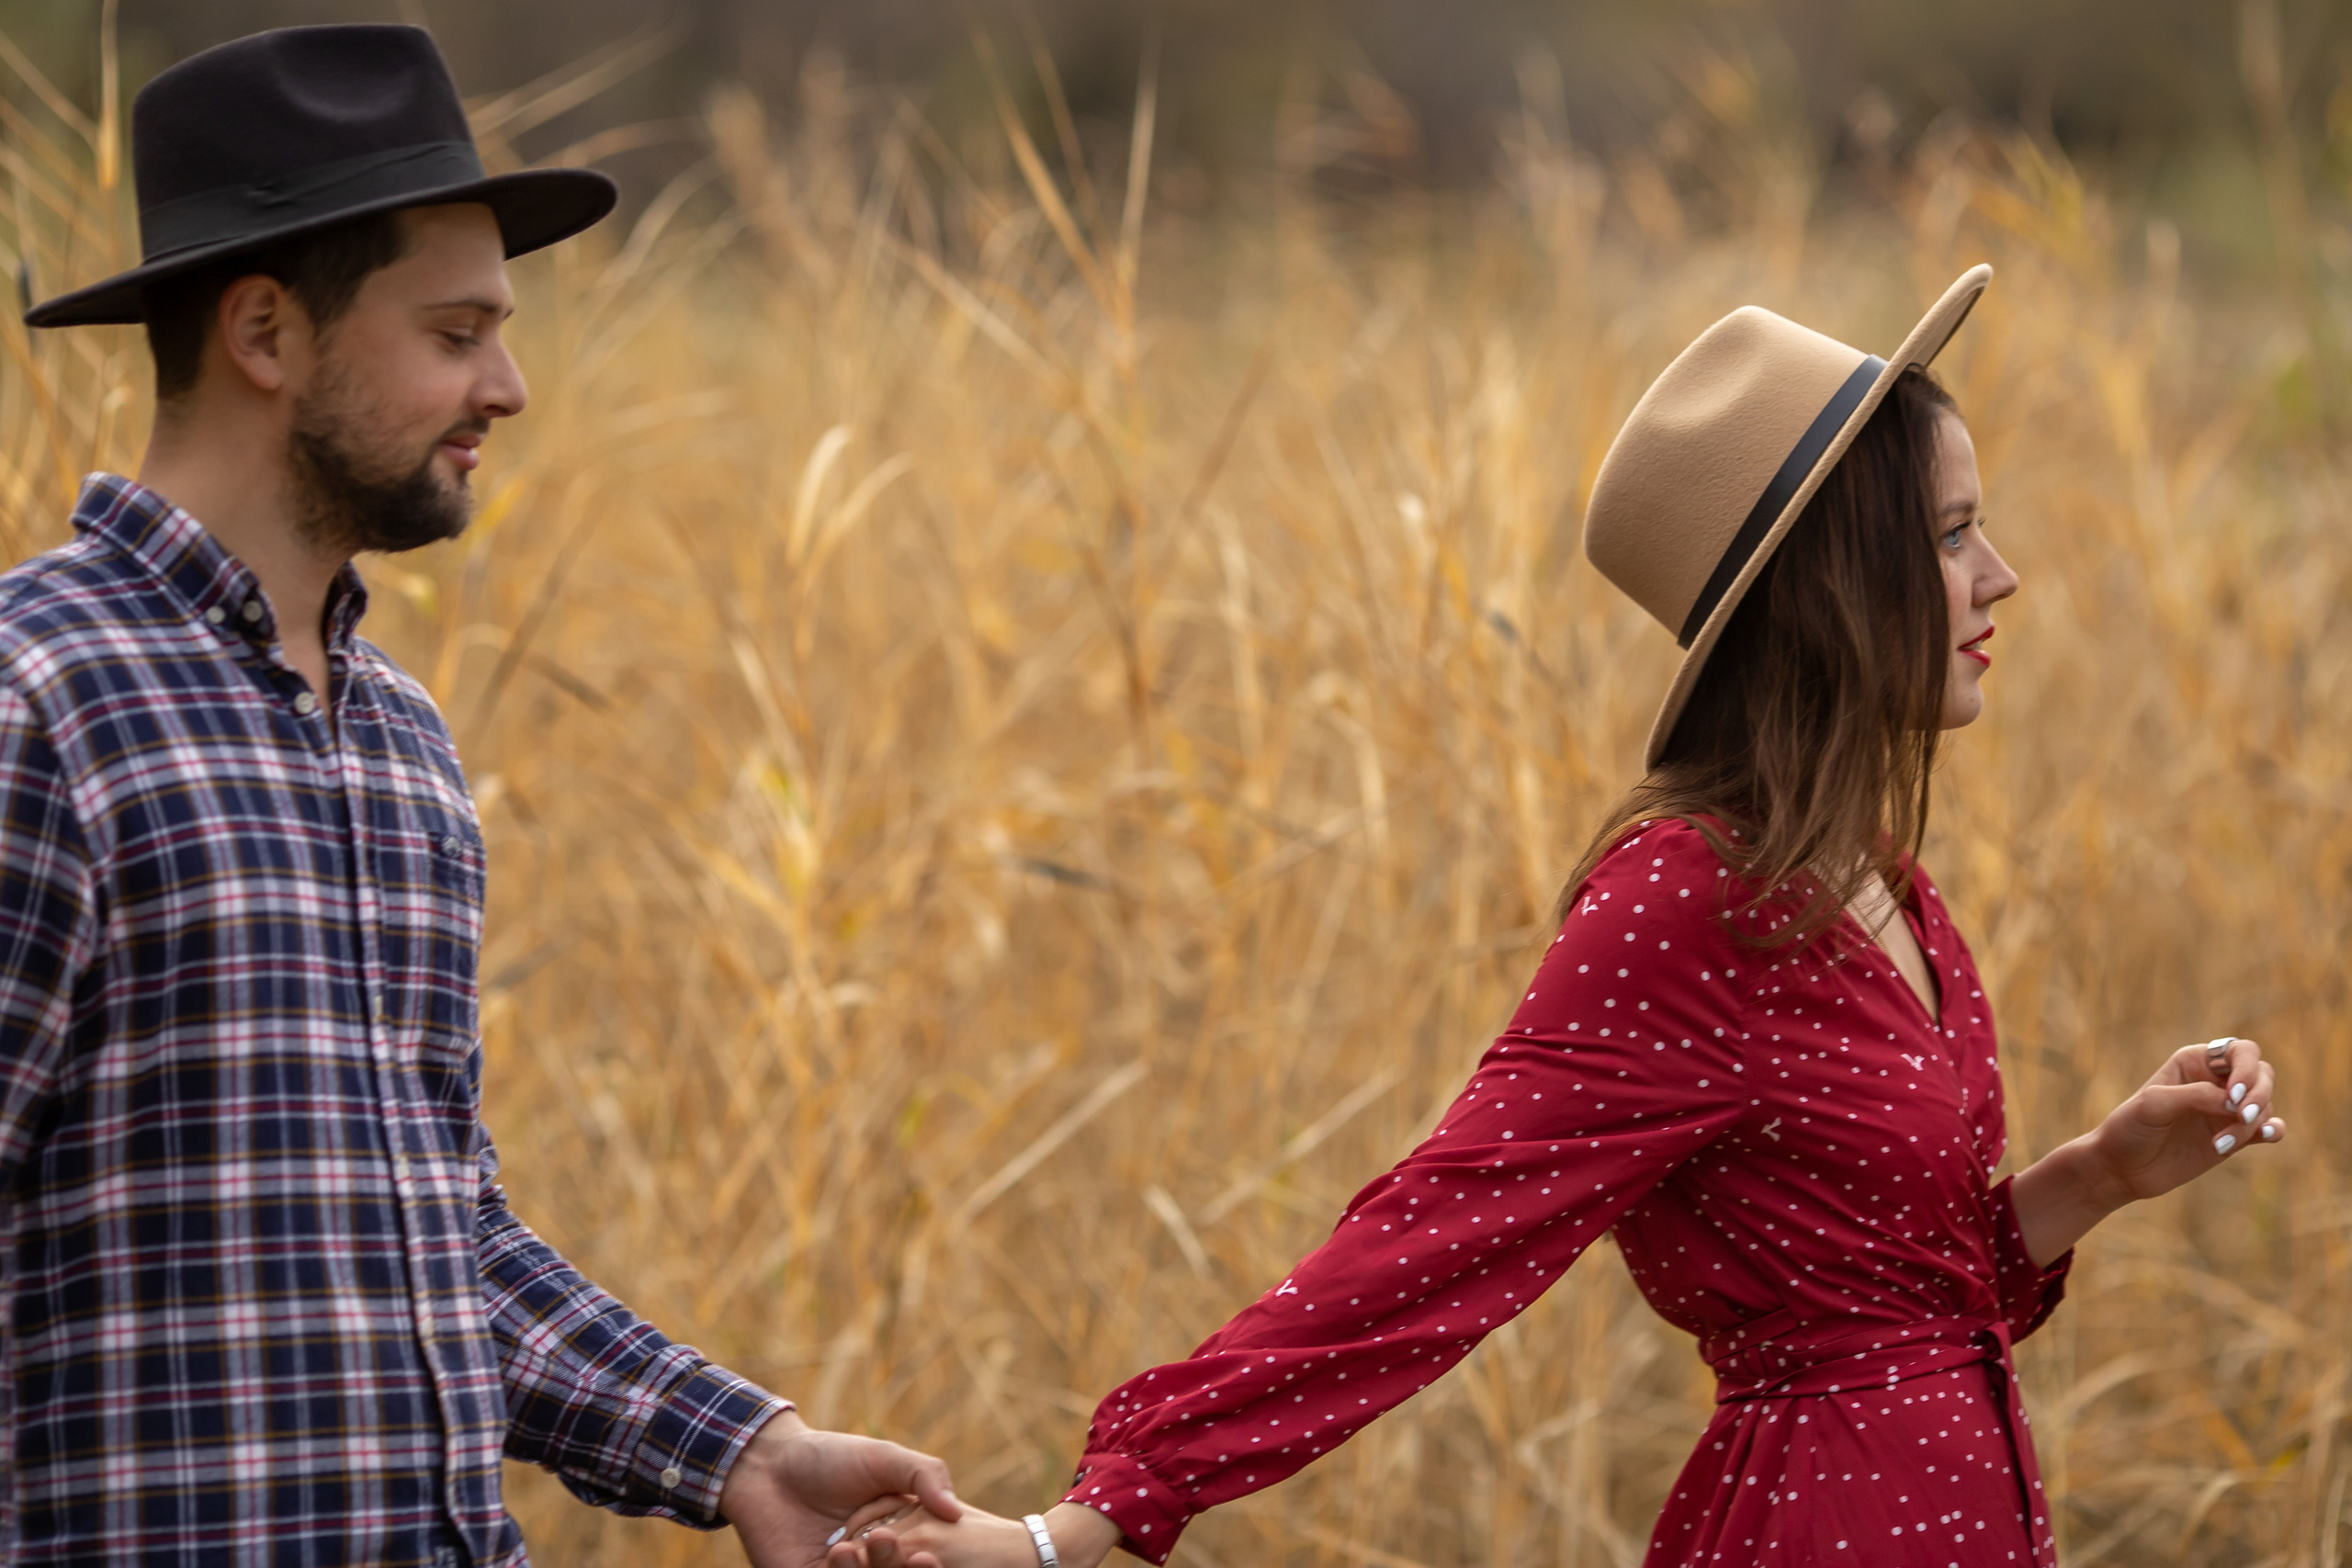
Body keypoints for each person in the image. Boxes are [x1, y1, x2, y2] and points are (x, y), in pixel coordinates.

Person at [838, 267, 2289, 1568]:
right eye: (1955, 534)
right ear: (1829, 588)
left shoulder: (1875, 880)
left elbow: (1917, 1304)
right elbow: (1432, 1237)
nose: (2001, 575)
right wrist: (1083, 1523)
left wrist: (2101, 1172)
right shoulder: (1689, 903)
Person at [6, 26, 958, 1566]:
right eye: (455, 333)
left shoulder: (395, 740)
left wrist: (744, 1453)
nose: (507, 386)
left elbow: (421, 1237)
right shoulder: (37, 704)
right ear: (264, 330)